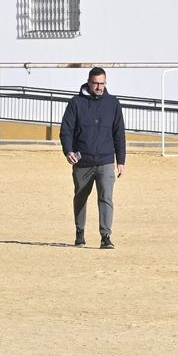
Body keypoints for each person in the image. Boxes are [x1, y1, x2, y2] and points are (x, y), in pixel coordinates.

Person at [61, 67, 126, 249]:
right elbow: (66, 130)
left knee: (106, 198)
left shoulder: (113, 103)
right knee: (80, 197)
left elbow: (119, 134)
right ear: (89, 83)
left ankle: (106, 236)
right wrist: (68, 151)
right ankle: (80, 232)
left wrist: (121, 161)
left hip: (106, 160)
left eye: (102, 83)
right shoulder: (75, 103)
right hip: (83, 162)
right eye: (96, 83)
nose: (99, 87)